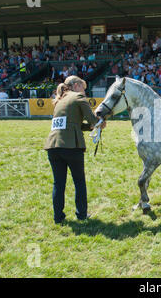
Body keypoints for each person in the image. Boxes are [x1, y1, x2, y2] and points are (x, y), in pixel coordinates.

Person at [44, 76, 106, 224]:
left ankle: (58, 217)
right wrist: (100, 122)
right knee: (79, 181)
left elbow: (72, 124)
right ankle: (81, 214)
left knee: (58, 183)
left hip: (53, 146)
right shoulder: (78, 97)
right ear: (77, 85)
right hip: (71, 147)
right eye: (84, 88)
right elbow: (93, 120)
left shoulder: (60, 100)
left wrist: (91, 126)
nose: (85, 92)